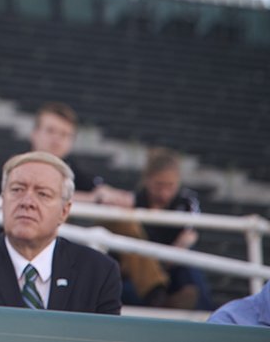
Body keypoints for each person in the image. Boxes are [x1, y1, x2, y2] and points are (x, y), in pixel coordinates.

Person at [0, 151, 122, 314]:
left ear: (64, 212)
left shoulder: (99, 273)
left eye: (43, 194)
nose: (27, 202)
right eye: (17, 190)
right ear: (3, 201)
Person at [29, 102, 176, 307]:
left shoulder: (71, 168)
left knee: (119, 217)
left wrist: (112, 196)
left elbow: (97, 189)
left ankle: (155, 292)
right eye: (51, 131)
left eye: (64, 134)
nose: (56, 139)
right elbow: (37, 196)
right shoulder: (18, 166)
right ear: (34, 133)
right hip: (32, 242)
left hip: (68, 239)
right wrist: (96, 198)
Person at [134, 148, 213, 310]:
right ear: (147, 180)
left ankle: (205, 315)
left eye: (170, 186)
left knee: (189, 266)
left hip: (176, 261)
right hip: (144, 264)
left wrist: (168, 259)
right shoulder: (135, 201)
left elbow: (189, 236)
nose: (164, 193)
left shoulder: (186, 201)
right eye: (158, 185)